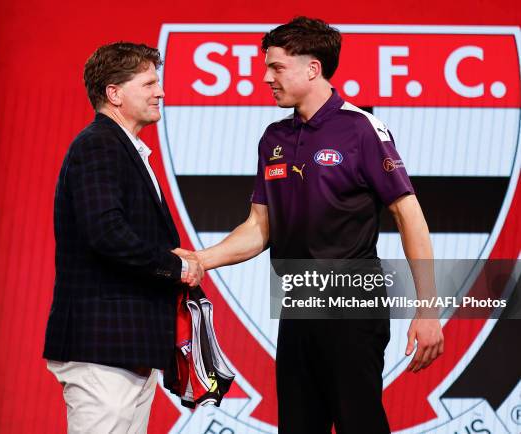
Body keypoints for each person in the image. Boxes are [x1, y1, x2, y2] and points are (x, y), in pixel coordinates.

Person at [177, 17, 444, 434]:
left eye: (276, 67)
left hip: (353, 306)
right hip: (298, 305)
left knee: (360, 424)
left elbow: (409, 216)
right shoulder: (273, 138)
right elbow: (259, 227)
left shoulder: (362, 129)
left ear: (312, 69)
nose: (265, 78)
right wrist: (200, 259)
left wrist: (428, 308)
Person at [43, 42, 203, 434]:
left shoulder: (122, 147)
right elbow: (106, 232)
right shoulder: (99, 145)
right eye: (149, 83)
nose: (160, 91)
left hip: (126, 347)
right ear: (114, 93)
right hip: (102, 347)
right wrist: (177, 266)